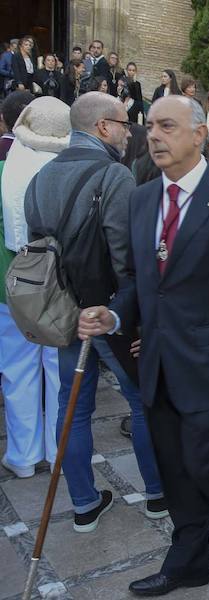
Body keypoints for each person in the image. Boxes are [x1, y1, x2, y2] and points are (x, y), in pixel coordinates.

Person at [77, 95, 209, 596]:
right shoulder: (142, 198)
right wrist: (115, 313)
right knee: (175, 467)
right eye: (148, 127)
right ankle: (189, 562)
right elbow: (143, 283)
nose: (153, 136)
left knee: (207, 460)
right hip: (158, 362)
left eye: (167, 125)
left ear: (199, 133)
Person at [24, 92, 167, 533]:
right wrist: (135, 318)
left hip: (62, 311)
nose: (130, 132)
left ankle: (84, 504)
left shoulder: (41, 177)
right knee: (143, 405)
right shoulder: (114, 175)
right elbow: (128, 259)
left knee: (73, 408)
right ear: (103, 127)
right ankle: (158, 495)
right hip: (109, 311)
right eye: (125, 124)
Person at [0, 95, 66, 479]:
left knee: (17, 369)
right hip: (60, 287)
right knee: (58, 369)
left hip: (9, 286)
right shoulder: (68, 173)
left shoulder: (4, 171)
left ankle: (23, 456)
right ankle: (60, 449)